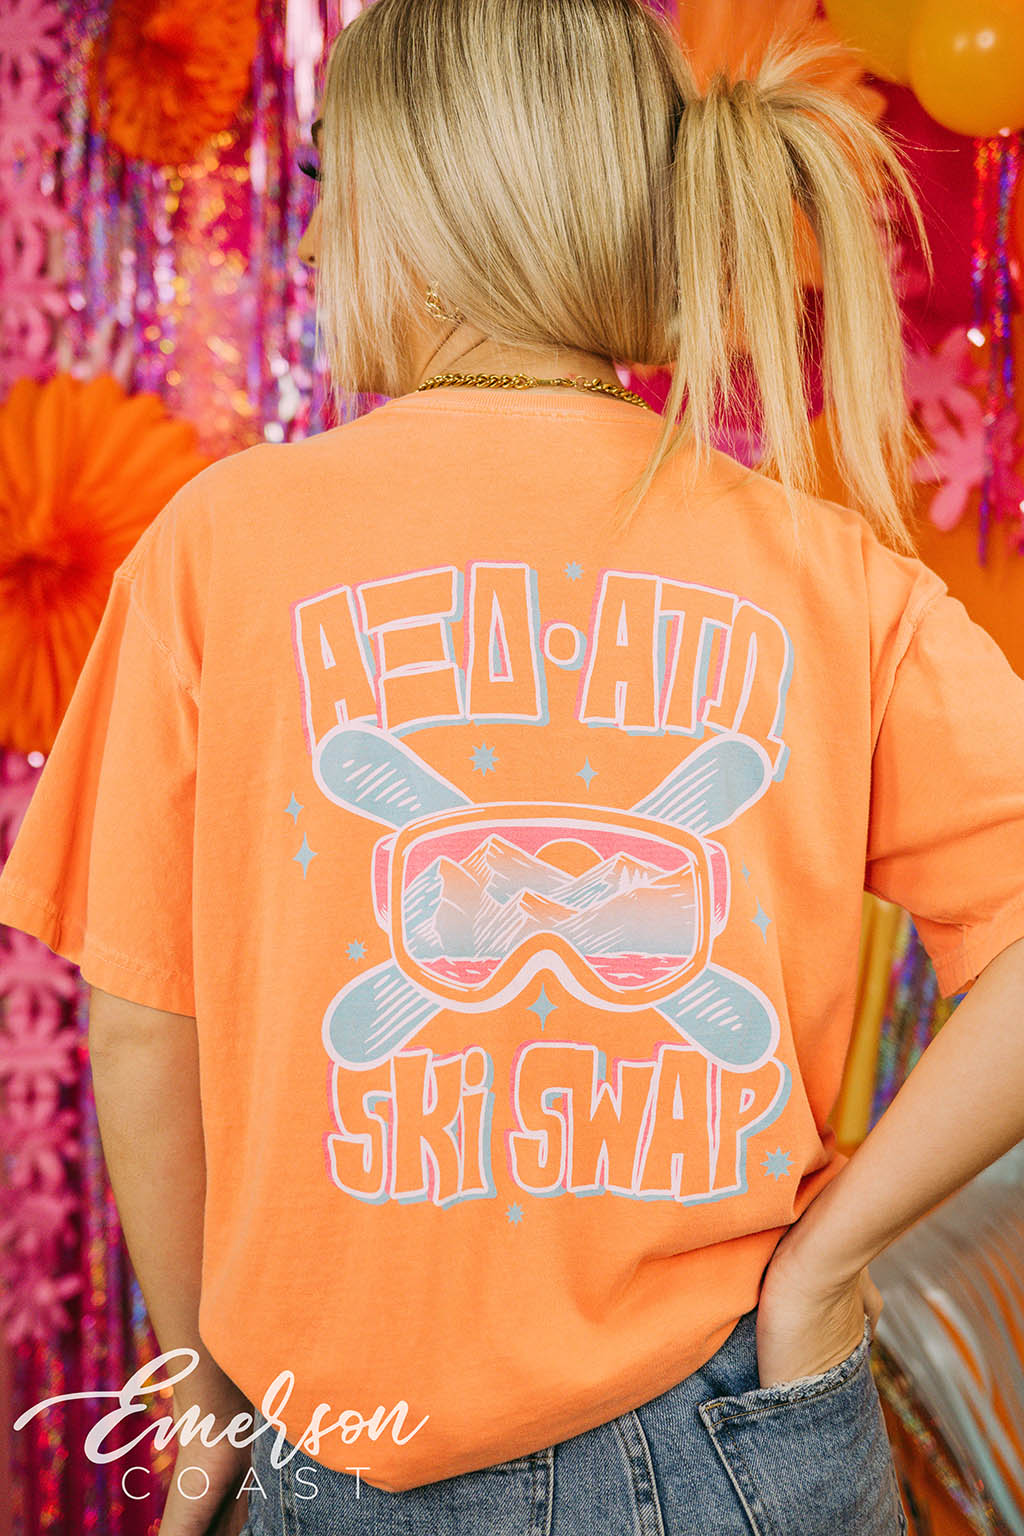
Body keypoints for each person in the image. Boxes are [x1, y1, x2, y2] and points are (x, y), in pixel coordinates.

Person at [2, 0, 1024, 1531]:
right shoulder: (826, 574)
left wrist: (201, 1387)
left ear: (419, 212)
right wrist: (825, 1260)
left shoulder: (223, 548)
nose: (316, 233)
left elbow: (147, 1026)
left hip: (342, 1438)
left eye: (329, 182)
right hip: (738, 1428)